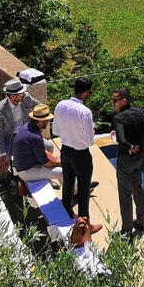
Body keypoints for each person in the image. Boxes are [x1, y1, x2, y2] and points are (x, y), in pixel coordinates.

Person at [54, 77, 97, 221]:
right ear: (85, 93)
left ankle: (66, 213)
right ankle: (84, 224)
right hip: (81, 155)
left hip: (65, 150)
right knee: (84, 191)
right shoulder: (85, 112)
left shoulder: (60, 105)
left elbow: (56, 131)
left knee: (68, 184)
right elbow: (90, 141)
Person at [112, 87, 144, 239]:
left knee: (125, 195)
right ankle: (141, 223)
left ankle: (127, 229)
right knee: (138, 188)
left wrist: (129, 146)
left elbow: (121, 140)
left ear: (124, 100)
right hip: (141, 157)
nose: (113, 104)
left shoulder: (119, 118)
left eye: (115, 101)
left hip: (127, 160)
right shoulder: (139, 112)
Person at [0, 77, 41, 173]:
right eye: (20, 94)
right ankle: (4, 181)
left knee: (43, 150)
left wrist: (35, 121)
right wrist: (2, 153)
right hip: (10, 138)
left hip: (26, 133)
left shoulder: (25, 98)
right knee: (3, 161)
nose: (23, 94)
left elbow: (40, 107)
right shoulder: (0, 109)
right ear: (13, 96)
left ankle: (42, 176)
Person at [12, 105, 62, 184]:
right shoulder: (35, 137)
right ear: (41, 121)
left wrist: (55, 160)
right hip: (26, 171)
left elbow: (40, 149)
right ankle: (75, 193)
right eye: (47, 120)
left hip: (22, 162)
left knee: (49, 145)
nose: (48, 122)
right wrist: (61, 163)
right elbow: (45, 162)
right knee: (61, 172)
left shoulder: (27, 126)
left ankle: (48, 175)